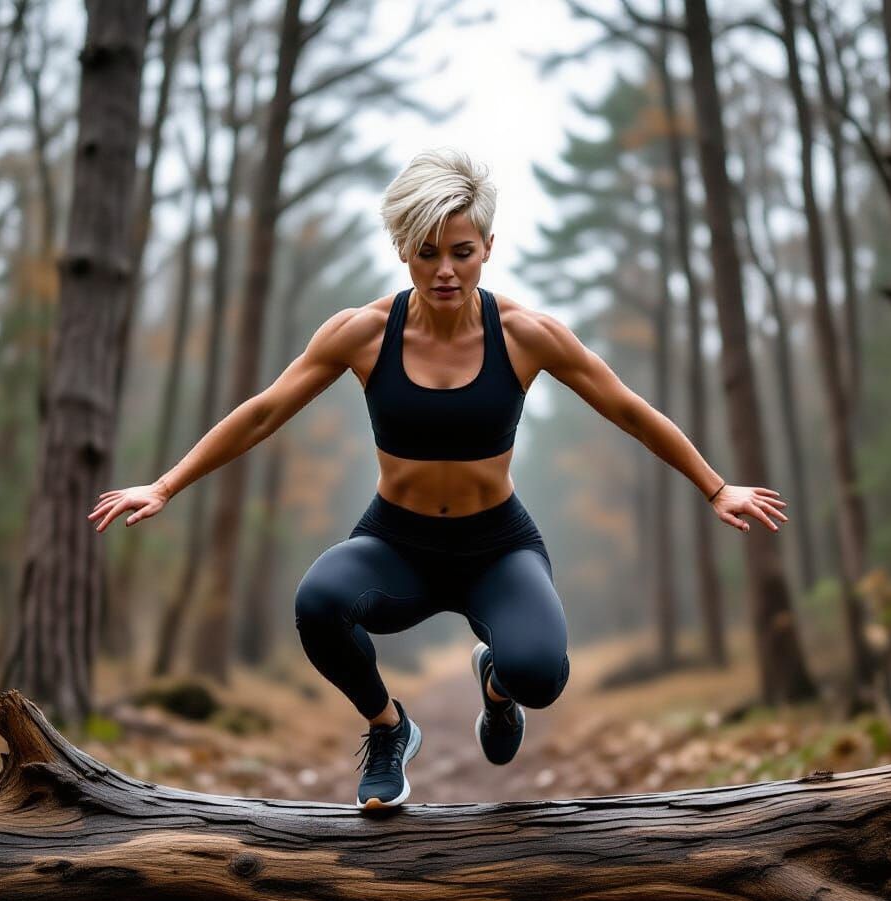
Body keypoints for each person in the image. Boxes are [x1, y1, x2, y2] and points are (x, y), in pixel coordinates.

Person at [88, 148, 789, 813]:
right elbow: (264, 411)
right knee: (318, 603)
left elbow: (628, 409)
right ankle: (389, 727)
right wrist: (166, 484)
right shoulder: (362, 332)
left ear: (488, 247)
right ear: (403, 249)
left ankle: (496, 680)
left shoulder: (526, 333)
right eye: (428, 252)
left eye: (462, 251)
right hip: (398, 544)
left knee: (541, 675)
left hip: (498, 548)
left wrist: (714, 485)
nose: (446, 270)